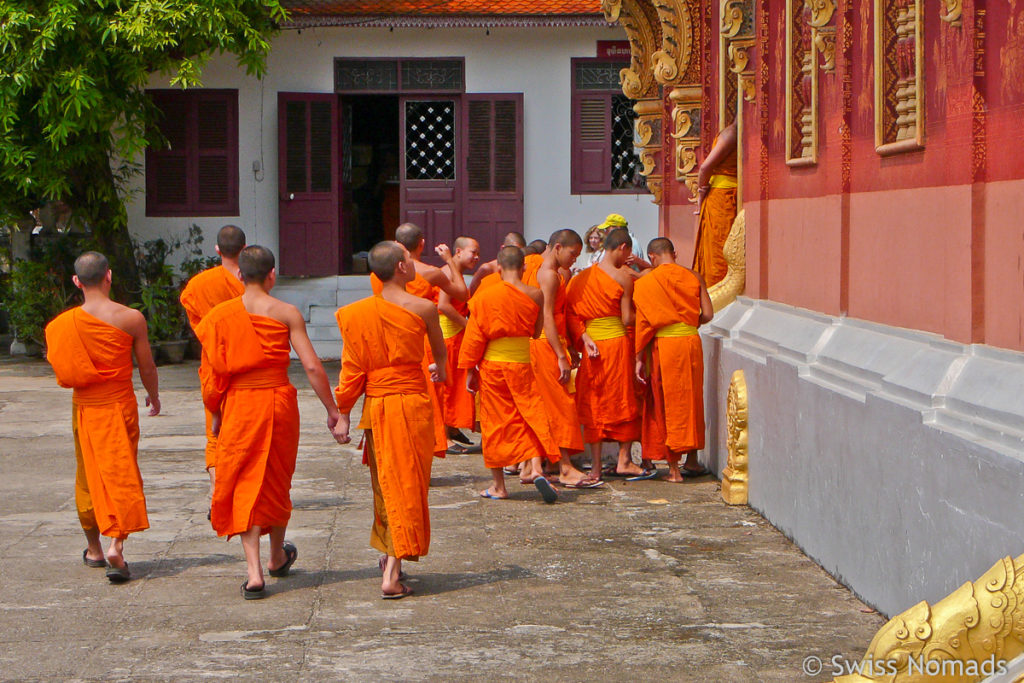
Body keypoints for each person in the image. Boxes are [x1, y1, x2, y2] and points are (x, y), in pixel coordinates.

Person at [195, 245, 344, 600]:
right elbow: (311, 365)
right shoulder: (286, 312)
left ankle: (254, 572)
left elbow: (212, 372)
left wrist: (215, 413)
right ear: (272, 275)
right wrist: (332, 410)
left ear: (238, 276)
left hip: (239, 405)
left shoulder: (218, 316)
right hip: (278, 401)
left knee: (244, 479)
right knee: (277, 477)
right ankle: (277, 554)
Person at [335, 240, 446, 599]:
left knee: (386, 484)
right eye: (410, 260)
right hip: (412, 403)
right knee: (409, 484)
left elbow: (352, 370)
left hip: (378, 407)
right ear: (401, 267)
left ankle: (389, 558)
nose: (414, 263)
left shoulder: (355, 313)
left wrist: (343, 414)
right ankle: (393, 573)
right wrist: (439, 371)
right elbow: (440, 359)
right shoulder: (424, 307)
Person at [44, 251, 160, 583]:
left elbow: (63, 369)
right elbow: (147, 366)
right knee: (122, 470)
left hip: (85, 407)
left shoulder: (61, 325)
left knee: (88, 475)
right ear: (109, 276)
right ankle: (116, 544)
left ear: (77, 282)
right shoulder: (131, 318)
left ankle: (94, 550)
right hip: (120, 403)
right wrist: (153, 394)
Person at [458, 246, 559, 503]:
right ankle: (535, 468)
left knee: (496, 423)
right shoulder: (535, 293)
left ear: (499, 268)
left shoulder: (484, 296)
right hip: (522, 363)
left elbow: (474, 336)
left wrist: (470, 370)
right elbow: (536, 333)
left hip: (493, 367)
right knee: (530, 414)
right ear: (524, 268)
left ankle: (499, 486)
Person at [370, 223, 467, 458]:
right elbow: (463, 294)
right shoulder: (430, 272)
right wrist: (451, 262)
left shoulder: (378, 273)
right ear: (421, 243)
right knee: (426, 399)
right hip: (419, 341)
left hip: (386, 340)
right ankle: (424, 448)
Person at [565, 227, 650, 480]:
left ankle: (596, 468)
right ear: (623, 248)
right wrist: (649, 318)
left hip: (593, 348)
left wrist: (584, 337)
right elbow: (626, 318)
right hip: (617, 345)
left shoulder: (579, 279)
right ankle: (624, 459)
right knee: (625, 397)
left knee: (594, 402)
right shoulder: (625, 277)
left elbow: (571, 314)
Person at [524, 229, 604, 489]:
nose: (575, 260)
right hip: (547, 345)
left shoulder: (550, 273)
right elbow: (547, 315)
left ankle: (536, 465)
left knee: (549, 405)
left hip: (547, 342)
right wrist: (561, 355)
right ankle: (565, 467)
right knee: (561, 405)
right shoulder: (549, 275)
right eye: (573, 254)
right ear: (557, 247)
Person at [634, 238, 713, 482]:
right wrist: (688, 324)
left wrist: (638, 357)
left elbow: (644, 324)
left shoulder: (647, 281)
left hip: (666, 346)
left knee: (667, 401)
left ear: (651, 257)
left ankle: (674, 469)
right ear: (674, 253)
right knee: (692, 400)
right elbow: (708, 313)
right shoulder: (694, 276)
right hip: (690, 342)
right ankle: (693, 460)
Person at [179, 224, 246, 499]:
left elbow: (198, 325)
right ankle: (242, 489)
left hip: (214, 362)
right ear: (244, 249)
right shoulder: (251, 282)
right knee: (245, 430)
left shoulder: (199, 285)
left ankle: (216, 490)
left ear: (217, 250)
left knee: (215, 431)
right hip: (245, 363)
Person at [435, 236, 480, 454]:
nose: (477, 257)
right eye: (473, 251)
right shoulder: (446, 272)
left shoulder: (456, 273)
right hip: (447, 336)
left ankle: (451, 428)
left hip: (456, 335)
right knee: (447, 386)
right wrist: (468, 326)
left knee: (455, 385)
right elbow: (443, 305)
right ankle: (443, 435)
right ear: (459, 251)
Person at [693, 122, 738, 287]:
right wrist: (700, 193)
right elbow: (705, 168)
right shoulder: (731, 134)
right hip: (720, 197)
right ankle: (714, 288)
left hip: (727, 195)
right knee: (718, 251)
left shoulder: (736, 133)